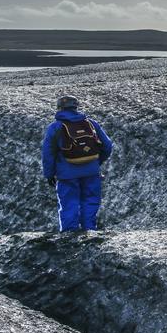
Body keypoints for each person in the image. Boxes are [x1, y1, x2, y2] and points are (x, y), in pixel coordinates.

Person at [39, 95, 113, 233]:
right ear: (76, 107)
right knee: (90, 201)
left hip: (66, 175)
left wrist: (49, 174)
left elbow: (48, 153)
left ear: (59, 108)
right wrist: (97, 162)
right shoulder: (91, 124)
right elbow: (107, 146)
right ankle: (89, 230)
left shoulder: (55, 127)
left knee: (69, 204)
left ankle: (69, 233)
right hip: (91, 172)